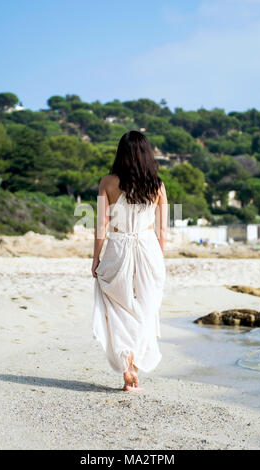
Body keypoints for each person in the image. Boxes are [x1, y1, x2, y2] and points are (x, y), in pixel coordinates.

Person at [91, 131, 167, 392]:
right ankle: (134, 363)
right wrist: (160, 257)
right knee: (146, 308)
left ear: (120, 153)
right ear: (147, 154)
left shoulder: (108, 182)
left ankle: (127, 362)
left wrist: (95, 258)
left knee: (117, 306)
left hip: (119, 246)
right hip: (148, 249)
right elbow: (162, 229)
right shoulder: (157, 185)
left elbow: (101, 225)